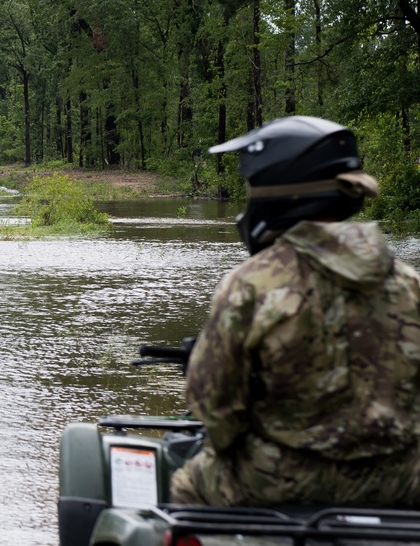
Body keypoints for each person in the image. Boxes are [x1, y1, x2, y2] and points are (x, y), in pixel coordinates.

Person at [170, 116, 420, 508]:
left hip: (281, 482)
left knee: (185, 483)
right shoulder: (408, 282)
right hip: (403, 482)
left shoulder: (251, 284)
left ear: (276, 193)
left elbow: (215, 410)